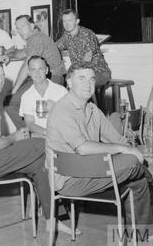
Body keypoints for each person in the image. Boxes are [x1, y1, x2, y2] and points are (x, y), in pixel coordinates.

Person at [0, 59, 75, 235]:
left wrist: (15, 139)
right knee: (42, 144)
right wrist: (14, 138)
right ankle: (71, 183)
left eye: (2, 76)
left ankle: (52, 219)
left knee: (40, 164)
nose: (0, 80)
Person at [46, 62, 153, 228]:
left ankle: (142, 234)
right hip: (70, 181)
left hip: (92, 170)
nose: (88, 84)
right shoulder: (62, 110)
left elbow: (117, 139)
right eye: (81, 78)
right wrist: (126, 151)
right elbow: (83, 147)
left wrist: (134, 150)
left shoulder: (93, 110)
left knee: (138, 182)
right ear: (68, 82)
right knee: (132, 163)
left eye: (91, 79)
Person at [7, 15, 66, 128]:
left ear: (32, 26)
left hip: (52, 79)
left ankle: (28, 133)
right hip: (46, 77)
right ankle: (32, 131)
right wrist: (7, 55)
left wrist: (15, 89)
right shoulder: (35, 39)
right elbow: (21, 53)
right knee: (25, 102)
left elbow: (27, 65)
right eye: (18, 28)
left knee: (10, 103)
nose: (20, 31)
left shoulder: (36, 39)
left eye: (23, 26)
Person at [56, 9, 111, 86]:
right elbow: (54, 48)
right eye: (64, 21)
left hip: (99, 72)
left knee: (76, 82)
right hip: (80, 73)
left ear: (77, 21)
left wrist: (77, 73)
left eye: (70, 20)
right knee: (63, 79)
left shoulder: (87, 34)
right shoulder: (66, 35)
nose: (67, 24)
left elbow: (88, 56)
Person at [19, 55, 67, 137]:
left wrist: (55, 108)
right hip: (40, 136)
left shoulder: (61, 91)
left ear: (46, 70)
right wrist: (46, 132)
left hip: (61, 135)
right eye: (33, 69)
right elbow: (29, 124)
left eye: (41, 68)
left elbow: (70, 118)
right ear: (29, 73)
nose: (37, 73)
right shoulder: (26, 96)